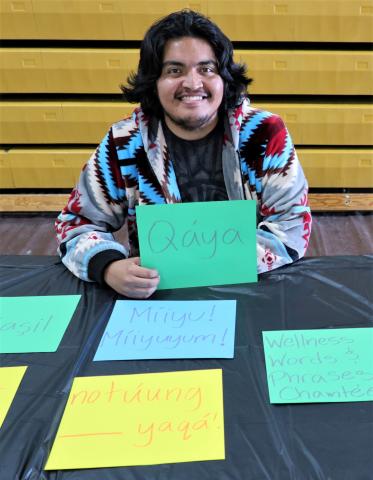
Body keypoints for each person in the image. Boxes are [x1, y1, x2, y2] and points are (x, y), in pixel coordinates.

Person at [55, 10, 311, 298]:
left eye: (206, 69)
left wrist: (213, 267)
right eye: (174, 70)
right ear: (154, 81)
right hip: (159, 297)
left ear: (224, 78)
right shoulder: (124, 142)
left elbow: (292, 223)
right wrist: (108, 266)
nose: (192, 83)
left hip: (253, 286)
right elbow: (76, 225)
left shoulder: (265, 134)